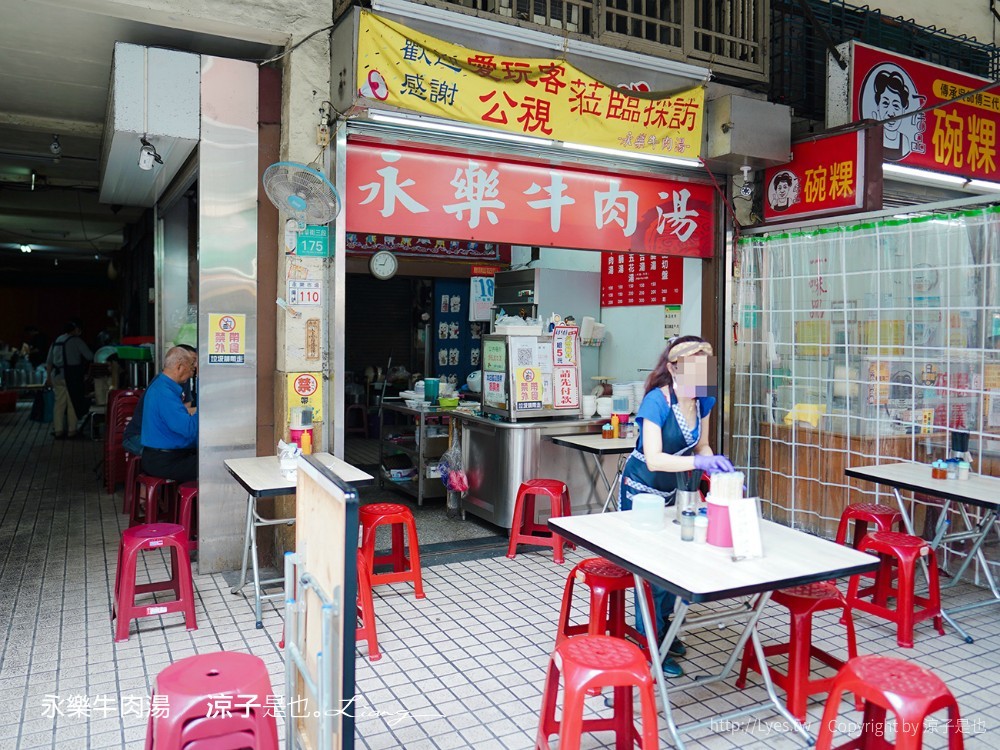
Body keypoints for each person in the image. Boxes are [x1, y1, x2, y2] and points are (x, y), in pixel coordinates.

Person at [619, 335, 734, 678]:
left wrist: (714, 466)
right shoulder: (656, 401)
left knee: (674, 563)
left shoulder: (704, 401)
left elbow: (703, 446)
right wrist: (699, 464)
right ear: (673, 369)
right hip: (641, 492)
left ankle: (665, 628)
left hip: (677, 491)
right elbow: (654, 459)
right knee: (651, 570)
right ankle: (651, 643)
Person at [123, 344, 196, 456]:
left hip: (159, 440)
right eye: (191, 363)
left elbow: (181, 414)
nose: (194, 367)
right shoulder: (163, 390)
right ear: (179, 367)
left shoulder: (170, 383)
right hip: (145, 440)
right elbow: (186, 426)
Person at [141, 346, 198, 483]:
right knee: (216, 463)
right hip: (164, 460)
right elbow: (189, 429)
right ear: (179, 367)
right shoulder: (164, 393)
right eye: (191, 367)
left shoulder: (161, 385)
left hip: (165, 455)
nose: (193, 372)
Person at [45, 320, 94, 439]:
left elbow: (49, 362)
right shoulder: (76, 340)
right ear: (75, 330)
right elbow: (89, 356)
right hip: (72, 376)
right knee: (73, 402)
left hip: (57, 376)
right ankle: (72, 430)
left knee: (59, 403)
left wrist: (48, 378)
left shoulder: (56, 341)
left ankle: (58, 430)